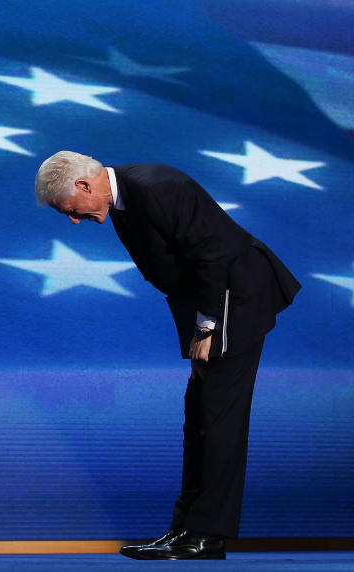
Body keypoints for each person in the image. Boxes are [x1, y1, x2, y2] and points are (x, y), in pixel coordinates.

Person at [35, 151, 300, 560]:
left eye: (69, 209)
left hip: (235, 295)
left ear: (84, 186)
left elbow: (215, 254)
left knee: (218, 416)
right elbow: (177, 274)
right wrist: (195, 335)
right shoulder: (124, 199)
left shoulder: (157, 187)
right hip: (212, 301)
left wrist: (206, 329)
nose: (72, 220)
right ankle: (185, 529)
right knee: (198, 413)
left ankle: (207, 534)